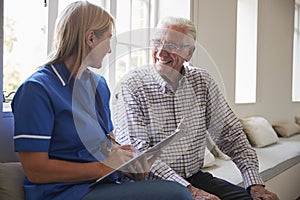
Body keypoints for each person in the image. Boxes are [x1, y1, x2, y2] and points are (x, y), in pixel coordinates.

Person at [11, 2, 193, 200]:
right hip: (66, 193)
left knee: (170, 189)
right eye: (108, 39)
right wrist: (103, 168)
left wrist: (126, 160)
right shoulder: (37, 90)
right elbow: (36, 170)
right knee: (178, 195)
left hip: (104, 184)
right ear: (91, 38)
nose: (109, 50)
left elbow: (108, 145)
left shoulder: (99, 85)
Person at [113, 16, 279, 200]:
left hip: (193, 177)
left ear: (189, 53)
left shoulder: (202, 82)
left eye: (172, 46)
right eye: (157, 43)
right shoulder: (133, 85)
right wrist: (192, 191)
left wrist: (254, 184)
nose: (161, 52)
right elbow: (139, 154)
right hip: (150, 184)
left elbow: (231, 134)